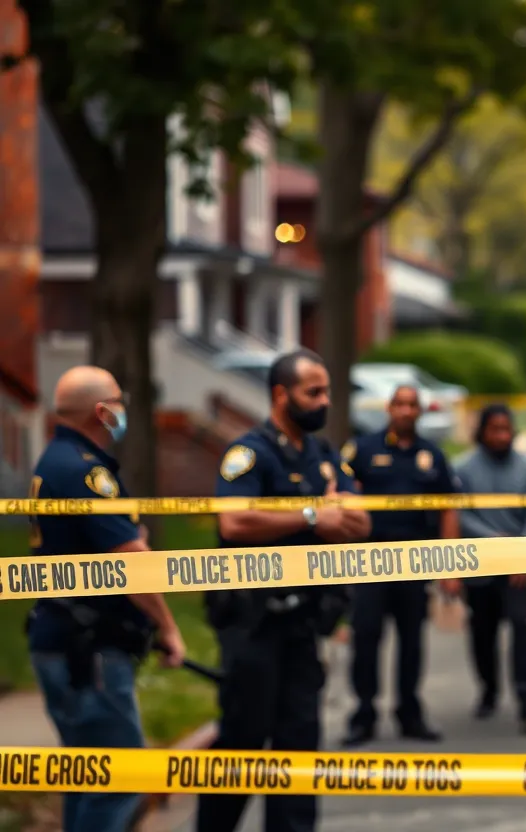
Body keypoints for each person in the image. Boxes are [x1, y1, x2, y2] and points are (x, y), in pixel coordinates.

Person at [196, 348, 371, 832]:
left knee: (299, 744)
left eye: (327, 392)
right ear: (280, 394)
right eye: (313, 392)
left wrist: (336, 516)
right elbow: (233, 523)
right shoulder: (250, 453)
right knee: (244, 740)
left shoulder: (324, 455)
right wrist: (313, 515)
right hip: (253, 621)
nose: (324, 401)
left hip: (303, 622)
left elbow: (361, 520)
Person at [25, 366, 186, 832]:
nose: (123, 409)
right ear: (102, 412)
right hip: (90, 652)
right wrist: (169, 627)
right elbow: (132, 563)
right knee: (119, 779)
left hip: (62, 640)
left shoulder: (54, 461)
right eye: (119, 401)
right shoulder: (87, 472)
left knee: (88, 778)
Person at [341, 384, 460, 747]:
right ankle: (363, 714)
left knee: (412, 642)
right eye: (400, 404)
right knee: (366, 637)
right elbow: (343, 498)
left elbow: (448, 509)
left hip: (415, 562)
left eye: (412, 405)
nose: (406, 411)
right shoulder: (362, 449)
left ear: (420, 411)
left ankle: (410, 713)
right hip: (371, 561)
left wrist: (450, 567)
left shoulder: (432, 456)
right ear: (388, 408)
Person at [454, 404, 526, 736]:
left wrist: (524, 553)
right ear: (482, 432)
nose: (501, 436)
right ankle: (489, 690)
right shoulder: (462, 469)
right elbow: (459, 514)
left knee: (522, 628)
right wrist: (493, 540)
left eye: (506, 429)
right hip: (481, 563)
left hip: (518, 565)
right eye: (495, 429)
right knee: (482, 632)